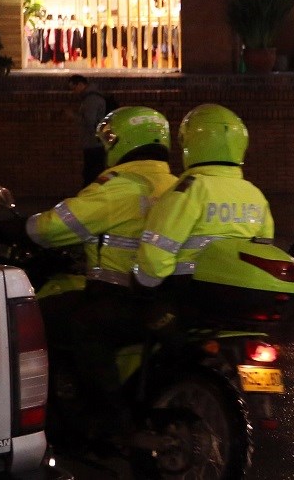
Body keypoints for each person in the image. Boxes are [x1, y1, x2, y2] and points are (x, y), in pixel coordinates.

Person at [25, 106, 177, 440]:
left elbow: (55, 226)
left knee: (36, 322)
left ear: (120, 142)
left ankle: (96, 417)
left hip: (119, 294)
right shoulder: (176, 185)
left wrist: (22, 227)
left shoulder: (118, 187)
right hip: (160, 296)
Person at [134, 104, 274, 297]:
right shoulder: (254, 193)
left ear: (191, 143)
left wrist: (146, 284)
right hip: (242, 289)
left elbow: (155, 254)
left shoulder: (189, 190)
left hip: (190, 289)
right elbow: (264, 247)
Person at [69, 74, 108, 185]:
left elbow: (89, 121)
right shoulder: (92, 97)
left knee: (91, 174)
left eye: (74, 88)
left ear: (81, 84)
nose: (74, 92)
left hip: (93, 143)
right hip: (96, 142)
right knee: (94, 172)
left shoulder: (91, 99)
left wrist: (74, 116)